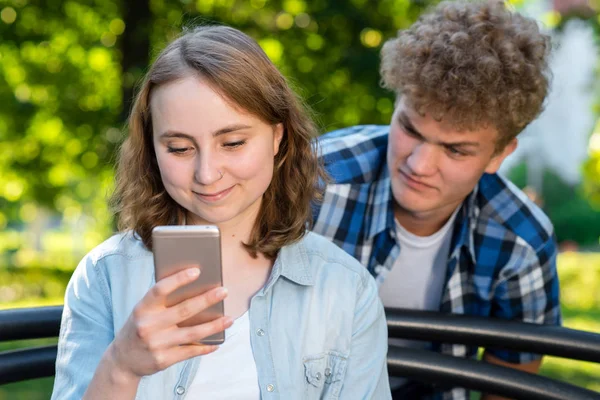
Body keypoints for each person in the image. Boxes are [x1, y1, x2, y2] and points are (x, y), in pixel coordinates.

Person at [51, 25, 390, 400]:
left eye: (232, 142)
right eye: (179, 148)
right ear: (151, 148)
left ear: (278, 137)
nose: (207, 174)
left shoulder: (346, 288)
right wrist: (122, 366)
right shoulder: (105, 275)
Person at [312, 1, 561, 399]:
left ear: (500, 154)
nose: (420, 165)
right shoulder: (313, 182)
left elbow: (510, 388)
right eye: (410, 128)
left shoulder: (522, 244)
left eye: (456, 150)